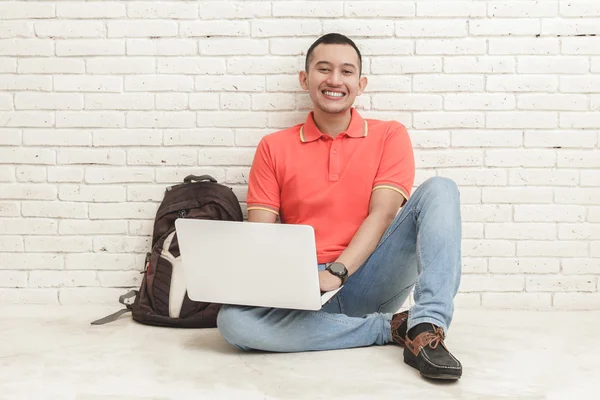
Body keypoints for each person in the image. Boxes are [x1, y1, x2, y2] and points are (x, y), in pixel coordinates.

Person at [216, 33, 463, 381]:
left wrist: (337, 272)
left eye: (346, 72)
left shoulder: (389, 135)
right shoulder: (273, 147)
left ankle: (426, 326)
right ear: (305, 79)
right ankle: (390, 329)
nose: (335, 80)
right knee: (232, 322)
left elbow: (383, 214)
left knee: (441, 189)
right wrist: (291, 281)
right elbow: (262, 236)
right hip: (304, 287)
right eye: (323, 69)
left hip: (369, 276)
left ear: (360, 84)